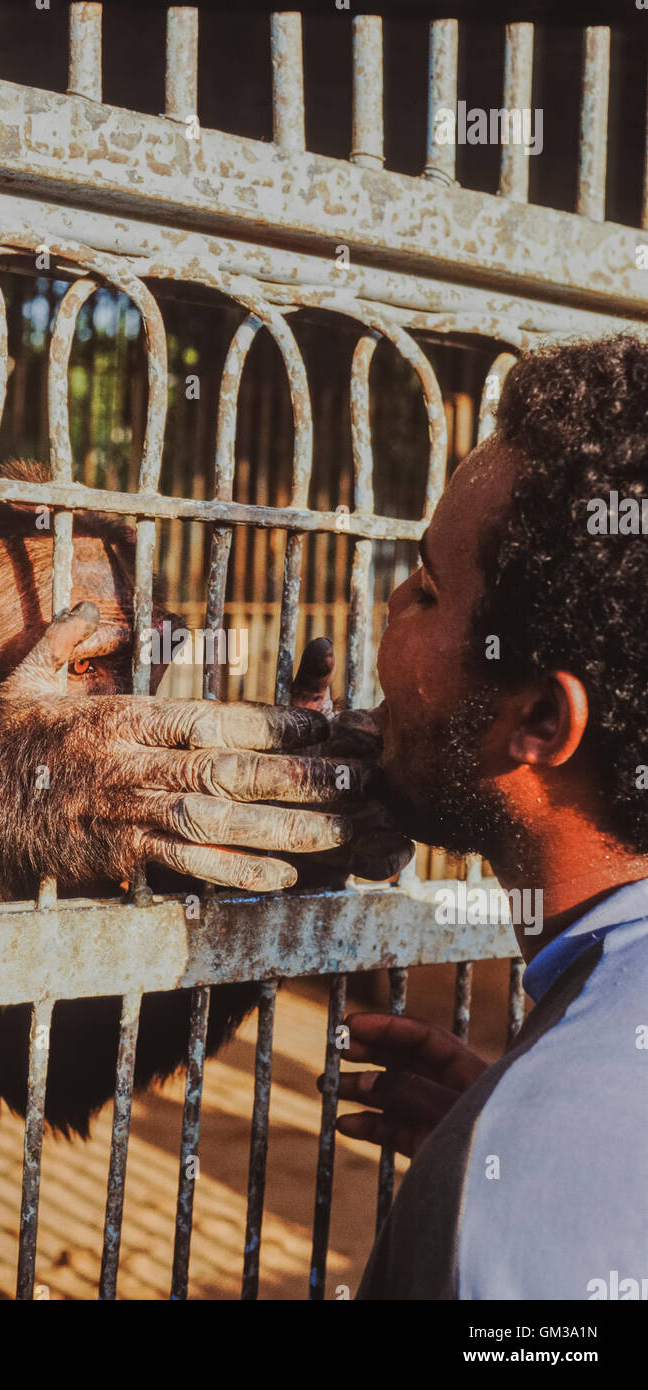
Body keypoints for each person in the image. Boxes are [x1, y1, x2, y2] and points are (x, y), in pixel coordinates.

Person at [335, 332, 648, 1299]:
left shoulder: (523, 1180)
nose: (393, 604)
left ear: (541, 719)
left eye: (427, 587)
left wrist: (517, 1167)